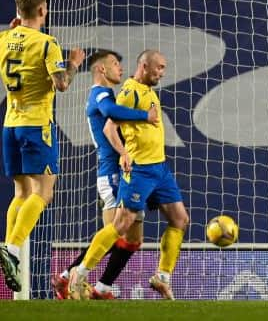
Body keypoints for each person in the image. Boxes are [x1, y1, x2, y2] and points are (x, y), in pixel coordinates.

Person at [67, 49, 189, 300]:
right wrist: (123, 153)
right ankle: (79, 272)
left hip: (160, 169)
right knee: (120, 225)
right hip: (140, 171)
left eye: (164, 68)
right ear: (144, 66)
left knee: (180, 219)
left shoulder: (149, 91)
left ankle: (162, 276)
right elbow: (110, 126)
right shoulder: (129, 91)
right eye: (159, 68)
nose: (161, 73)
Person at [51, 49, 159, 299]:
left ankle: (99, 287)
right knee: (114, 233)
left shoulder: (107, 93)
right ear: (101, 69)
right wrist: (145, 115)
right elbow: (111, 112)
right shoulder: (100, 94)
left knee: (133, 238)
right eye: (114, 64)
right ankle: (69, 278)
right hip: (111, 172)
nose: (120, 68)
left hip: (125, 172)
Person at [0, 0, 85, 292]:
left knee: (21, 192)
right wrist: (74, 62)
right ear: (42, 11)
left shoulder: (3, 39)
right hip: (36, 125)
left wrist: (15, 34)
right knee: (44, 192)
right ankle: (10, 249)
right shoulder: (48, 44)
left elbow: (14, 46)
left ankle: (9, 249)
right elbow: (61, 84)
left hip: (10, 122)